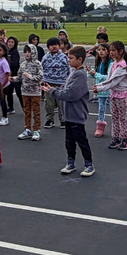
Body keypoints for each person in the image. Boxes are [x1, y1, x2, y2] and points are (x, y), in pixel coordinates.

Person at [44, 46, 95, 176]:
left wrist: (53, 91)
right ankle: (70, 162)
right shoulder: (73, 73)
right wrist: (54, 90)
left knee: (81, 140)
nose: (69, 60)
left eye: (71, 58)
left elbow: (71, 94)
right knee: (69, 141)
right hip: (69, 115)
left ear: (80, 59)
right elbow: (64, 88)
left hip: (76, 115)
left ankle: (89, 164)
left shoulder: (80, 75)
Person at [92, 41, 127, 150]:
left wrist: (99, 88)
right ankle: (116, 137)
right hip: (114, 94)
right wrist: (98, 85)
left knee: (122, 117)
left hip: (122, 95)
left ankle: (125, 139)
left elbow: (112, 82)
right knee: (115, 117)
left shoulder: (122, 66)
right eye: (110, 50)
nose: (111, 52)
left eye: (113, 50)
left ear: (121, 51)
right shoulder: (115, 63)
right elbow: (108, 79)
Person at [17, 44, 43, 140]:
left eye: (29, 51)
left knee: (36, 112)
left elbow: (40, 77)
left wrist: (30, 76)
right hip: (25, 92)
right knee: (27, 112)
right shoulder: (23, 64)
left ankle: (37, 130)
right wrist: (12, 79)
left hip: (35, 92)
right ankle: (27, 129)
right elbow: (19, 77)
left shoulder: (37, 64)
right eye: (25, 51)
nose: (27, 54)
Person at [42, 37, 69, 128]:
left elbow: (69, 69)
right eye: (51, 45)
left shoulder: (64, 57)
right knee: (49, 104)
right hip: (49, 84)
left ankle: (63, 120)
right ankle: (50, 119)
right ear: (48, 47)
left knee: (61, 103)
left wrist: (68, 80)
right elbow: (42, 69)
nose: (54, 47)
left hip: (61, 84)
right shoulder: (45, 57)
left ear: (59, 46)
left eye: (56, 45)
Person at [91, 42, 112, 137]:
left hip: (109, 88)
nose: (101, 52)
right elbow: (97, 76)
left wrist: (96, 75)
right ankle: (100, 127)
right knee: (101, 108)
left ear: (108, 52)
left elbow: (108, 77)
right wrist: (91, 73)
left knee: (113, 109)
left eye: (103, 50)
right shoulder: (99, 63)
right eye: (99, 50)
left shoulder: (111, 63)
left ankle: (117, 127)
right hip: (100, 89)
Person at [0, 40, 12, 125]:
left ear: (4, 52)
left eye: (0, 50)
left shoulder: (4, 61)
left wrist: (2, 85)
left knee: (2, 101)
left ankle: (5, 117)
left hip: (2, 85)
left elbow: (8, 74)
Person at [5, 36, 22, 114]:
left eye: (12, 42)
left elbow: (15, 64)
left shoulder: (15, 52)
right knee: (9, 92)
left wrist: (11, 71)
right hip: (8, 75)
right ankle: (11, 107)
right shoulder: (6, 52)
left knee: (19, 92)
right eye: (9, 42)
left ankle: (24, 108)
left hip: (15, 75)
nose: (10, 43)